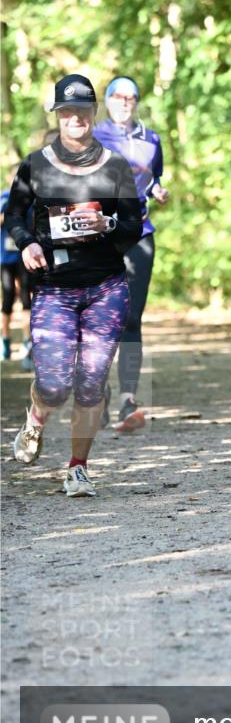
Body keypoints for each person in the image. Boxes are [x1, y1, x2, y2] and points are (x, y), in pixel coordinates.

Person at [5, 73, 142, 496]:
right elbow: (13, 216)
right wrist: (27, 243)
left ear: (93, 113)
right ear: (58, 115)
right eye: (66, 111)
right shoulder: (37, 163)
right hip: (53, 288)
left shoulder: (115, 165)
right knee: (54, 383)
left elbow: (134, 225)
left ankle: (78, 467)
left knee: (90, 381)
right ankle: (35, 419)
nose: (74, 118)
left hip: (105, 285)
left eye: (82, 110)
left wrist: (110, 222)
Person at [93, 76, 168, 432]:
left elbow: (153, 180)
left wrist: (158, 190)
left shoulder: (151, 139)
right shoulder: (92, 137)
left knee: (131, 316)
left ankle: (127, 400)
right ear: (107, 100)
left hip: (139, 234)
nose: (126, 101)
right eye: (118, 96)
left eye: (132, 96)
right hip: (98, 237)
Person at [1, 186, 33, 368]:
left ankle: (28, 343)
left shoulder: (30, 199)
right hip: (5, 257)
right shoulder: (4, 198)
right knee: (7, 299)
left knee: (26, 298)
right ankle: (5, 341)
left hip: (25, 255)